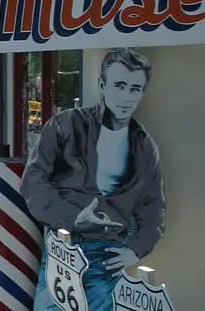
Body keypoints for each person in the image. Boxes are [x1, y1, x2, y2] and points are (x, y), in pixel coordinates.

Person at [21, 49, 165, 311]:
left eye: (135, 89)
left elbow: (154, 210)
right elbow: (32, 182)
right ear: (102, 86)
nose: (127, 97)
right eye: (119, 86)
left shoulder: (144, 146)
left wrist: (134, 250)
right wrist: (73, 216)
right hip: (65, 244)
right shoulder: (65, 125)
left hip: (108, 253)